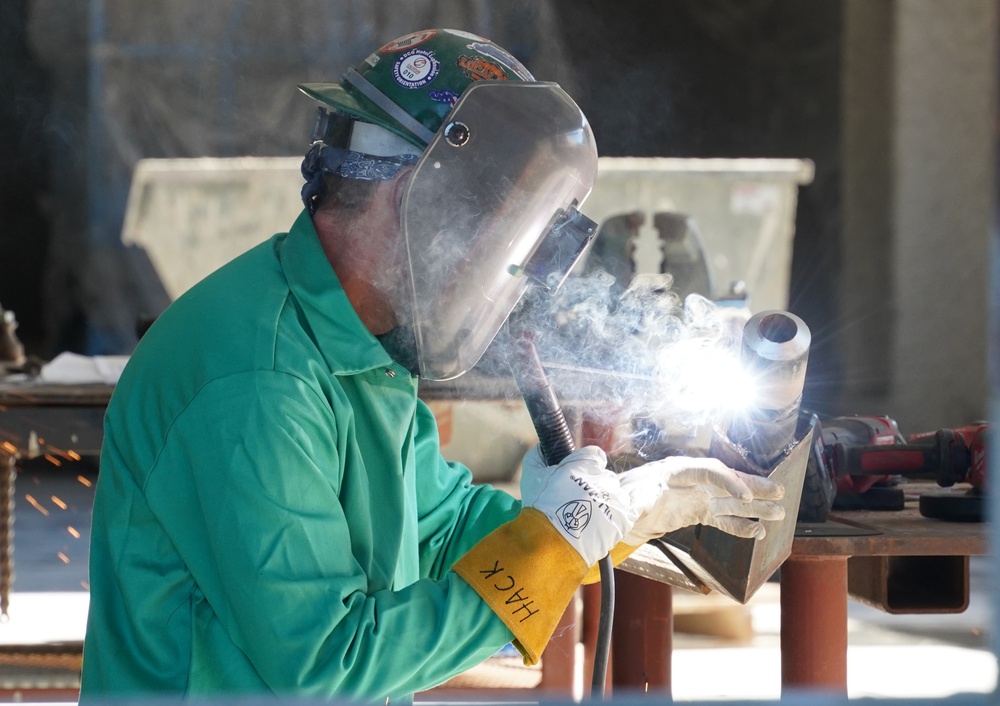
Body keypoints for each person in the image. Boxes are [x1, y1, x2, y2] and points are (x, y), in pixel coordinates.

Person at [80, 29, 785, 703]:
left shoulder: (356, 344)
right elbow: (326, 664)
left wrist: (620, 511)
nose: (507, 274)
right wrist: (549, 546)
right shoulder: (260, 384)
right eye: (500, 234)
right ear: (424, 203)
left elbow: (440, 529)